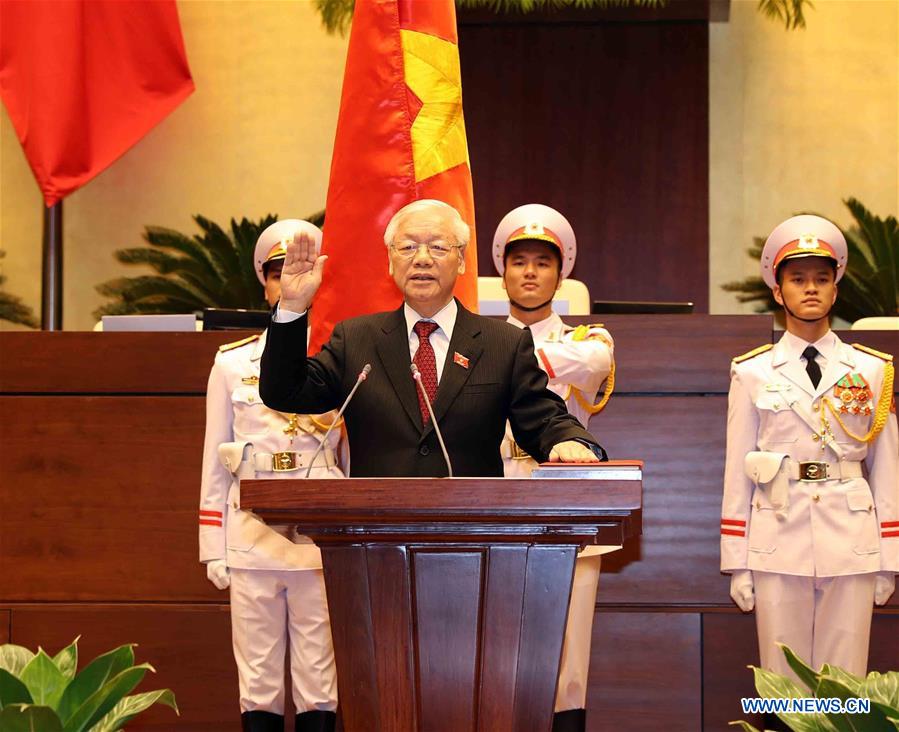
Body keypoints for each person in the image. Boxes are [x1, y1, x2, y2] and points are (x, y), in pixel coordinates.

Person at [259, 198, 606, 477]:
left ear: (461, 262)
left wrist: (571, 440)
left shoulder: (503, 343)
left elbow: (543, 418)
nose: (422, 259)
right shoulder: (356, 339)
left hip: (472, 535)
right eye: (407, 247)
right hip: (376, 535)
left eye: (438, 247)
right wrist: (291, 307)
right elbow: (284, 391)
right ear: (390, 261)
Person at [720, 215, 897, 728]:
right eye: (798, 279)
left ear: (836, 286)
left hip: (852, 534)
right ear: (778, 289)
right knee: (783, 686)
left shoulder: (871, 369)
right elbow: (736, 467)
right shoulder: (751, 370)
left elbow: (887, 467)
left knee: (845, 687)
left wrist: (890, 555)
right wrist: (738, 559)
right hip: (778, 531)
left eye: (821, 277)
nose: (811, 288)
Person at [199, 219, 344, 732]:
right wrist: (213, 545)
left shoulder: (338, 357)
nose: (288, 281)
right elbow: (215, 460)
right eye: (278, 272)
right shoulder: (233, 365)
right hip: (252, 533)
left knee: (319, 683)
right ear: (266, 283)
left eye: (299, 271)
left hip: (319, 539)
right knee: (258, 681)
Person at [493, 204, 615, 732]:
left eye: (542, 263)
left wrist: (495, 356)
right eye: (518, 261)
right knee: (497, 646)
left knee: (569, 659)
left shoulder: (590, 343)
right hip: (491, 500)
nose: (529, 272)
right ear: (502, 273)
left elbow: (584, 370)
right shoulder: (469, 342)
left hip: (564, 499)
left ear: (561, 274)